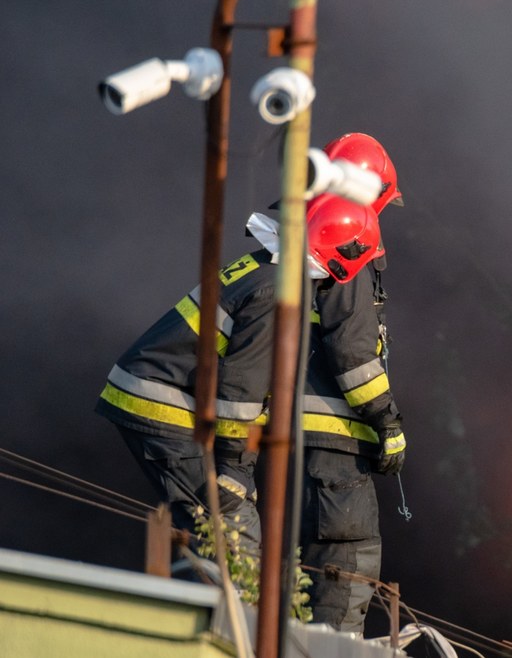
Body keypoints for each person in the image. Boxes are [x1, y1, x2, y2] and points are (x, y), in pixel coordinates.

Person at [96, 194, 386, 559]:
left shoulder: (269, 264)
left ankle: (216, 604)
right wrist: (235, 470)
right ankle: (224, 612)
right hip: (161, 405)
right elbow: (242, 388)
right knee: (234, 531)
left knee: (213, 528)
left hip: (158, 394)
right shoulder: (281, 291)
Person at [291, 133, 408, 633]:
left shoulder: (299, 231)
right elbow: (354, 352)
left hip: (294, 438)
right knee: (349, 560)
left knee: (300, 573)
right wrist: (388, 422)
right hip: (332, 443)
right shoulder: (345, 239)